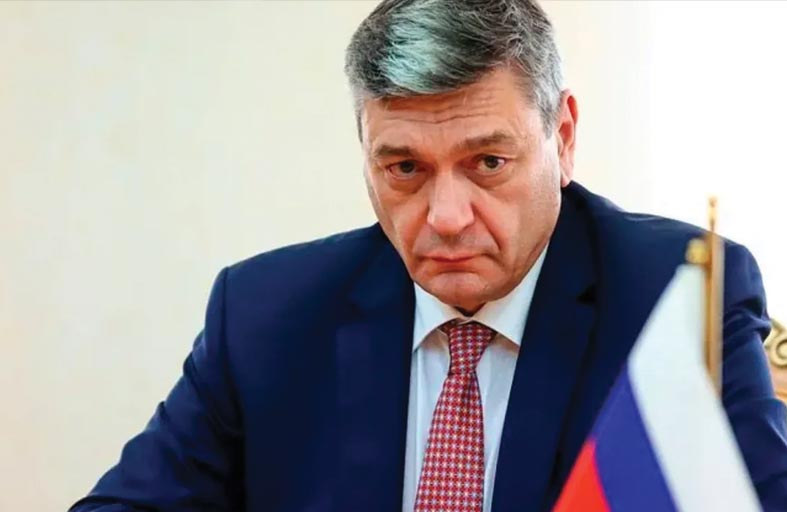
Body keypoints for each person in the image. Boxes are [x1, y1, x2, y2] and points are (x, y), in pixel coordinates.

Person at [70, 1, 787, 511]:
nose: (445, 218)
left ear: (562, 138)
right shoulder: (266, 314)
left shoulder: (676, 297)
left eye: (488, 163)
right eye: (405, 169)